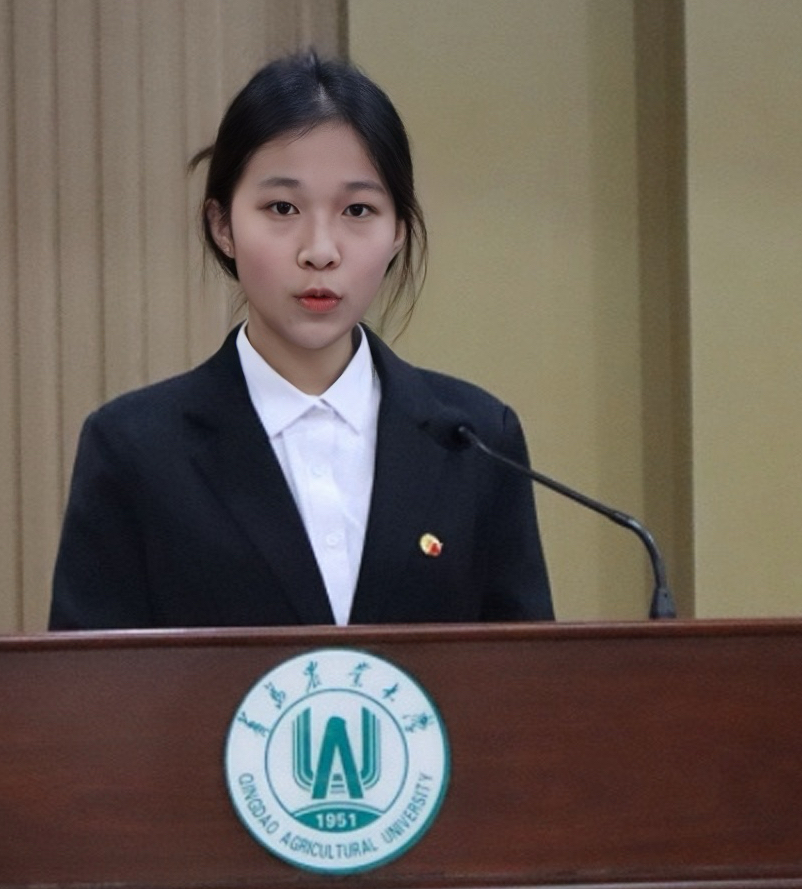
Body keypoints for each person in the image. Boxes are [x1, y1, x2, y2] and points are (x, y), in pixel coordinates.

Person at [47, 50, 552, 631]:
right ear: (222, 225)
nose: (320, 250)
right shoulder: (133, 448)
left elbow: (526, 673)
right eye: (282, 208)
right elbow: (90, 679)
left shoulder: (477, 440)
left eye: (358, 210)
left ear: (397, 231)